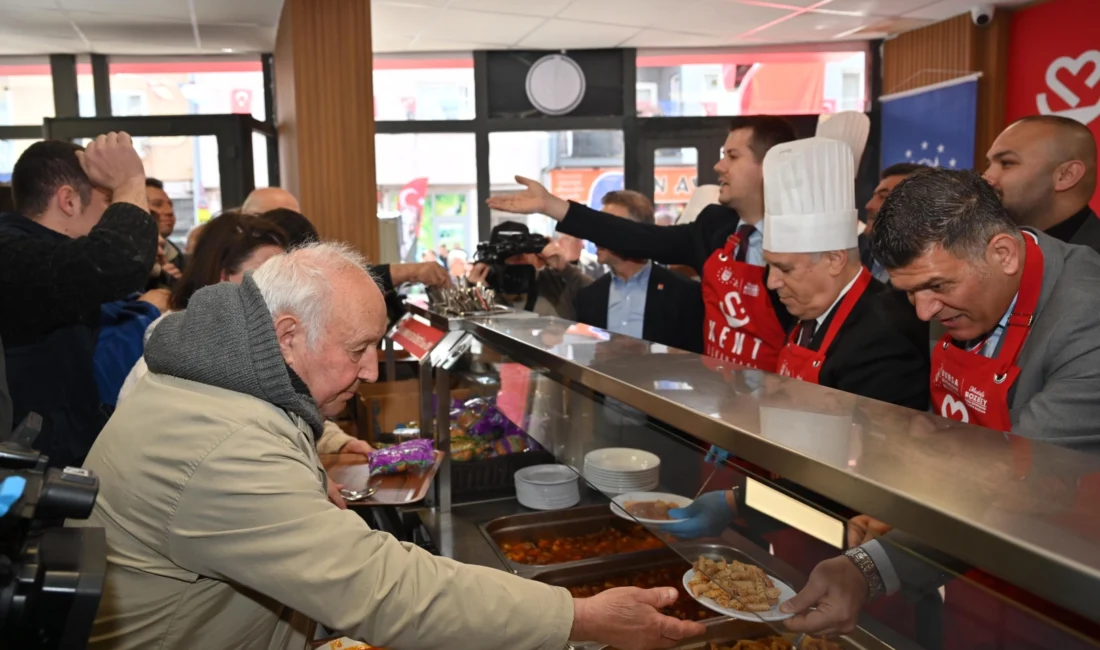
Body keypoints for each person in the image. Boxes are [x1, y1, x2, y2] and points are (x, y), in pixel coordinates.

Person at [71, 242, 705, 650]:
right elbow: (381, 588)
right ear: (287, 336)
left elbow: (283, 418)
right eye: (358, 351)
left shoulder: (215, 367)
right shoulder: (224, 447)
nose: (374, 371)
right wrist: (579, 617)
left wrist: (330, 446)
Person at [781, 167, 1100, 646]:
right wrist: (873, 558)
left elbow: (1014, 481)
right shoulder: (960, 297)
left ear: (1003, 253)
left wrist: (874, 562)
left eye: (936, 287)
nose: (924, 313)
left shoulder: (1086, 320)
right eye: (910, 292)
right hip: (986, 563)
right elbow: (961, 456)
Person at [487, 116, 801, 371]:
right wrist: (553, 206)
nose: (719, 167)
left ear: (771, 166)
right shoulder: (715, 227)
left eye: (732, 156)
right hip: (723, 398)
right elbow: (635, 237)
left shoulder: (804, 241)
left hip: (776, 398)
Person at [0, 134, 157, 469]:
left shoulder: (45, 257)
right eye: (109, 204)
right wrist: (129, 181)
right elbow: (119, 261)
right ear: (68, 201)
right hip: (22, 478)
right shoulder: (10, 253)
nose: (112, 219)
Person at [762, 138, 929, 409]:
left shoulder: (883, 341)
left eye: (784, 268)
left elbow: (880, 444)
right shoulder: (811, 309)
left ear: (834, 260)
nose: (772, 282)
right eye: (769, 266)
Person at [574, 190, 704, 353]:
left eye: (608, 228)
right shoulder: (589, 296)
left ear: (636, 233)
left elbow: (693, 362)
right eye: (599, 228)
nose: (597, 236)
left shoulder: (685, 294)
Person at [984, 114, 1100, 252]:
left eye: (1006, 163)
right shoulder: (982, 252)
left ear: (1066, 175)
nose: (986, 177)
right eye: (989, 164)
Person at [469, 221, 593, 319]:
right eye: (507, 255)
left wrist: (565, 269)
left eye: (523, 252)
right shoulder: (483, 285)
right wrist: (477, 294)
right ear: (493, 259)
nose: (518, 259)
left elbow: (597, 294)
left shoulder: (553, 281)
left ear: (534, 253)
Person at [859, 163, 924, 283]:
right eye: (874, 196)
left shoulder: (926, 274)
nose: (869, 206)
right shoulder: (863, 261)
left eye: (883, 197)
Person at [145, 177, 185, 272]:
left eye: (170, 205)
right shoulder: (122, 257)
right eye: (157, 204)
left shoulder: (178, 257)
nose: (169, 211)